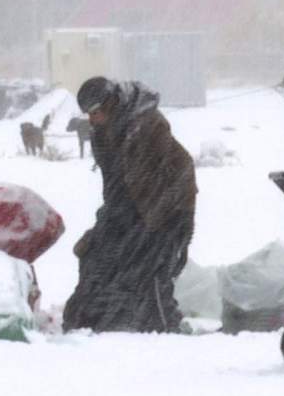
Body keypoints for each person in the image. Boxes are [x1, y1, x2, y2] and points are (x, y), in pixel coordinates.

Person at [63, 77, 197, 333]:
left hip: (167, 212)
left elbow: (172, 176)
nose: (91, 120)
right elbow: (115, 186)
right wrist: (108, 224)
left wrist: (156, 229)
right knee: (93, 258)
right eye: (88, 114)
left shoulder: (147, 126)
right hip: (127, 210)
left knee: (150, 274)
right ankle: (89, 325)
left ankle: (167, 333)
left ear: (112, 103)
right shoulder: (102, 134)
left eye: (95, 112)